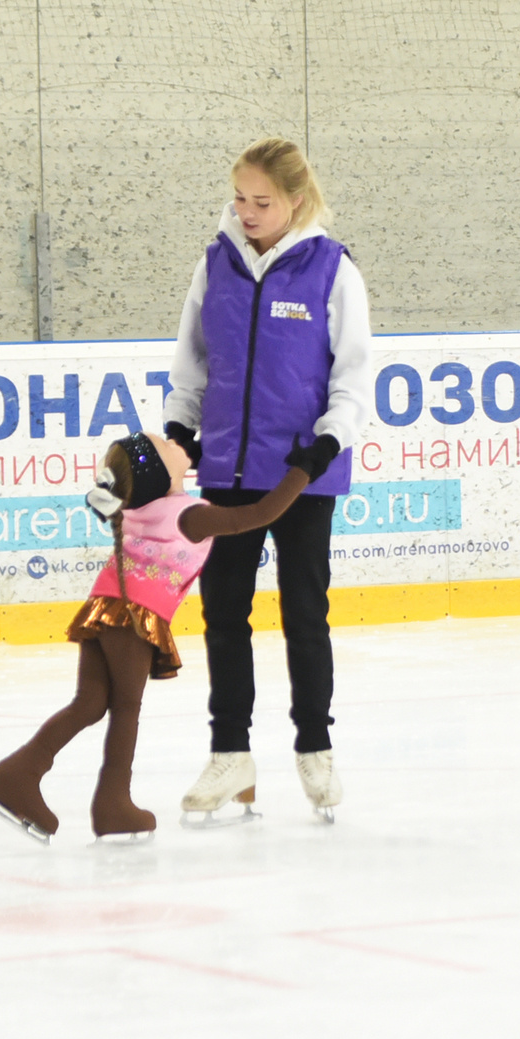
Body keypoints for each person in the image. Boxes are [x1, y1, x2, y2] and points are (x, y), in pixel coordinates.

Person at [162, 137, 372, 824]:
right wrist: (181, 431)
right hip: (227, 470)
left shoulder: (332, 269)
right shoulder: (215, 264)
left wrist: (325, 445)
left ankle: (316, 748)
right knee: (223, 613)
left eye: (262, 201)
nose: (247, 212)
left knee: (304, 613)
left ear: (295, 201)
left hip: (302, 475)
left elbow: (353, 375)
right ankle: (231, 754)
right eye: (240, 199)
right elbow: (192, 363)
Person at [0, 432, 322, 842]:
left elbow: (120, 491)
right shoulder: (189, 515)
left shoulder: (136, 506)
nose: (177, 442)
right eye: (167, 444)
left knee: (89, 703)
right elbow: (259, 514)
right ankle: (112, 803)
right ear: (160, 471)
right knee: (125, 708)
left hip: (104, 605)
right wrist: (304, 470)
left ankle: (17, 775)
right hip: (135, 614)